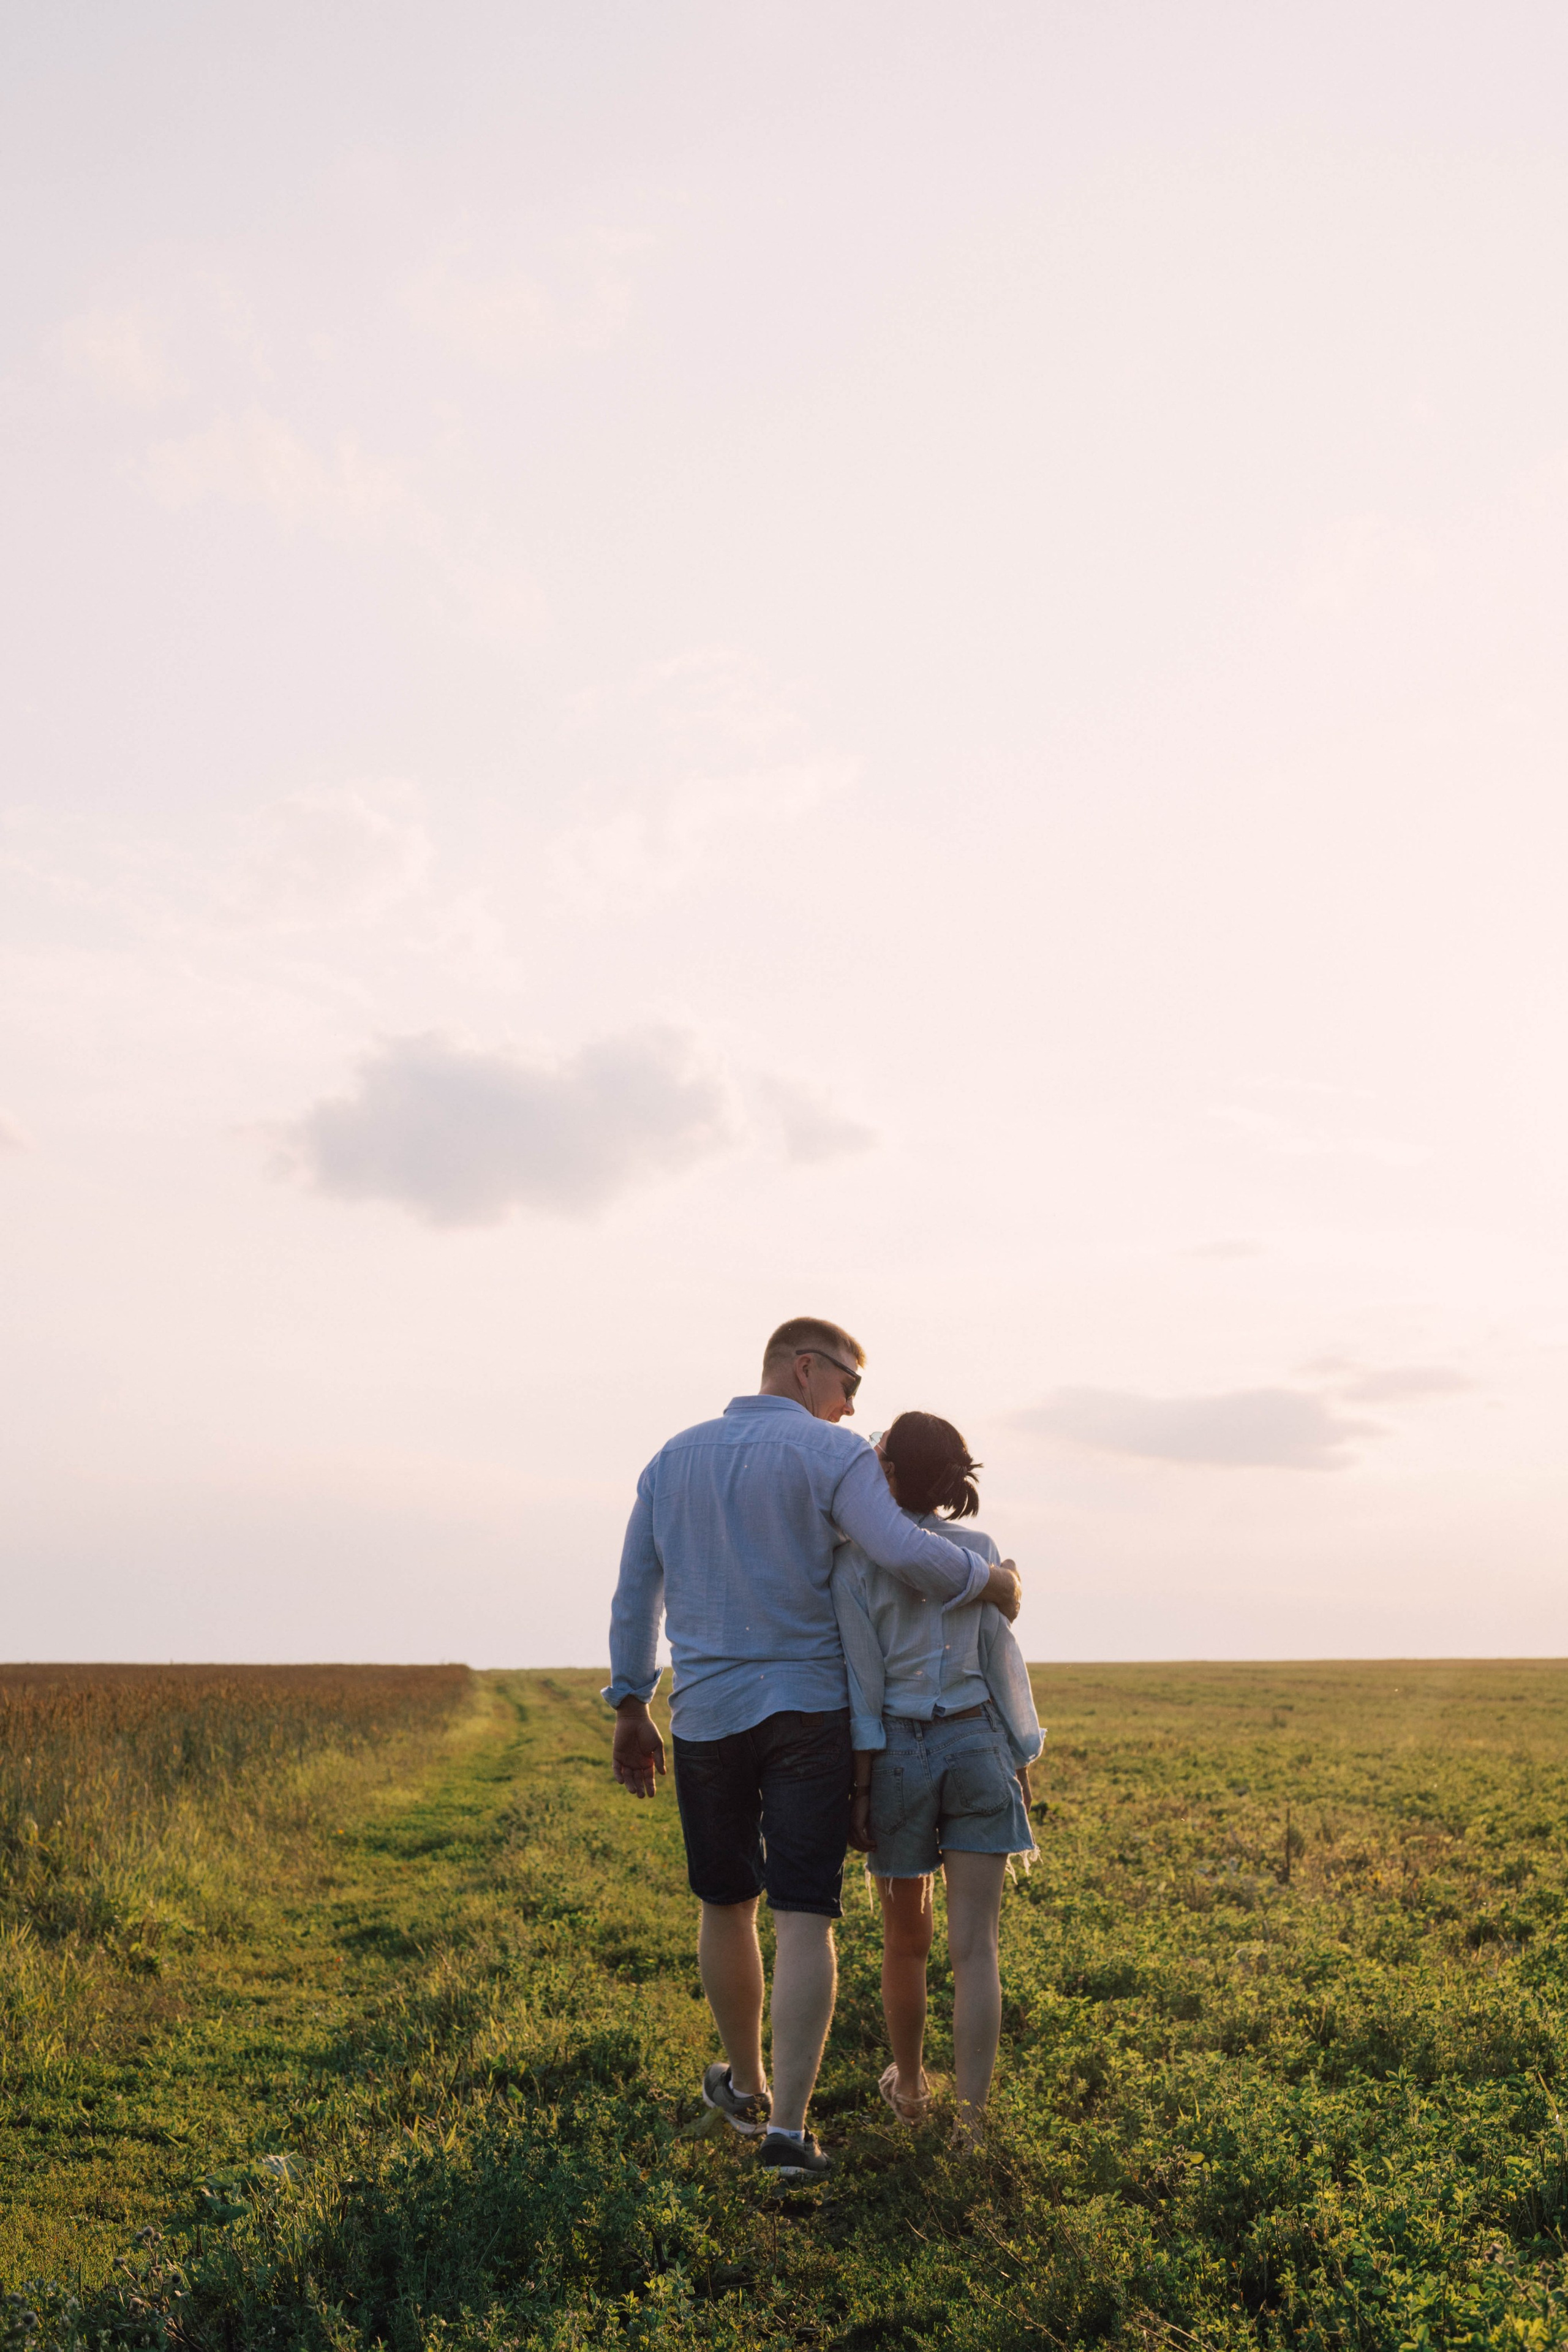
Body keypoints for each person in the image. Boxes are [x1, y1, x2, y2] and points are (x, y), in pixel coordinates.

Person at [605, 1318, 1022, 2185]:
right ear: (805, 1370)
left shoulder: (669, 1459)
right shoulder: (832, 1460)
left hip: (708, 1712)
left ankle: (748, 2088)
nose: (853, 1408)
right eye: (849, 1387)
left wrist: (630, 1701)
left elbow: (635, 1593)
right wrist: (993, 1582)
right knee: (806, 1914)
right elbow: (906, 1550)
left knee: (726, 1904)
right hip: (810, 1712)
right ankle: (789, 2132)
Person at [833, 1411, 1042, 2149]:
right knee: (976, 1948)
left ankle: (913, 2088)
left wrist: (858, 1791)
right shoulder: (981, 1554)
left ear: (886, 1473)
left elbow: (862, 1688)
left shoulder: (855, 1562)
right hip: (978, 1740)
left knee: (905, 1942)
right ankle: (973, 2126)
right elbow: (998, 1664)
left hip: (896, 1752)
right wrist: (1017, 1760)